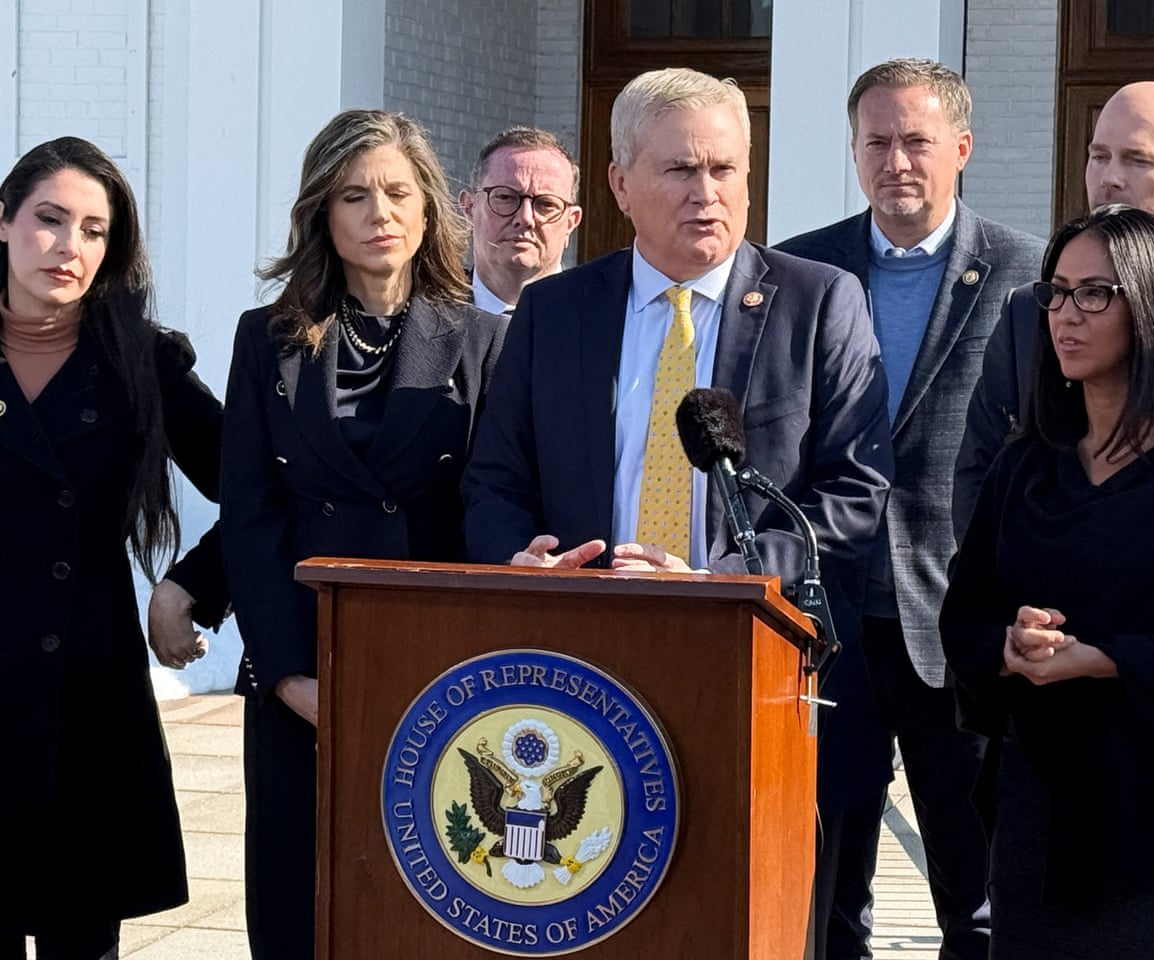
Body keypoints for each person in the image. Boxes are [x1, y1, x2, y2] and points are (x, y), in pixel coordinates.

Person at [461, 67, 890, 713]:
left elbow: (855, 489)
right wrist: (520, 560)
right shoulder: (554, 312)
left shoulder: (819, 302)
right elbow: (495, 479)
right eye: (681, 170)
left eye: (725, 169)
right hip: (580, 653)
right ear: (621, 184)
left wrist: (727, 578)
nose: (707, 193)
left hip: (759, 654)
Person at [219, 109, 507, 960]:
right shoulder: (263, 339)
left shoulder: (487, 341)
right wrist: (284, 675)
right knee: (296, 906)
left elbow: (491, 509)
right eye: (354, 195)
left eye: (396, 191)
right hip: (300, 668)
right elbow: (251, 512)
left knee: (425, 900)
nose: (378, 212)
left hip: (437, 670)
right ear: (323, 215)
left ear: (428, 211)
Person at [775, 58, 1043, 960]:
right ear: (852, 152)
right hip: (827, 617)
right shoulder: (800, 268)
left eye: (917, 141)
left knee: (973, 896)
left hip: (956, 620)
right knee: (824, 887)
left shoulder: (1026, 275)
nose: (897, 161)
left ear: (961, 148)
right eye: (877, 142)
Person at [940, 204, 1154, 958]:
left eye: (1096, 294)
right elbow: (965, 617)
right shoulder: (1027, 465)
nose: (1065, 316)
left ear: (1153, 304)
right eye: (1056, 292)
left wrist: (1106, 658)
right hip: (1035, 791)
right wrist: (1009, 645)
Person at [0, 137, 223, 958]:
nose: (70, 247)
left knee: (79, 939)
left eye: (94, 230)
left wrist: (185, 587)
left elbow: (261, 488)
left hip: (84, 703)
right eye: (49, 221)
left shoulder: (141, 359)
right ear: (3, 223)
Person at [954, 81, 1154, 535]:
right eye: (1099, 155)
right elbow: (981, 473)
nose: (1110, 178)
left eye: (1138, 160)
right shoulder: (1031, 311)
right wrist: (1005, 594)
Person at [459, 127, 582, 312]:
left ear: (571, 222)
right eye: (506, 198)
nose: (525, 218)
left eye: (546, 204)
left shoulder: (605, 322)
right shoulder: (419, 321)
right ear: (469, 207)